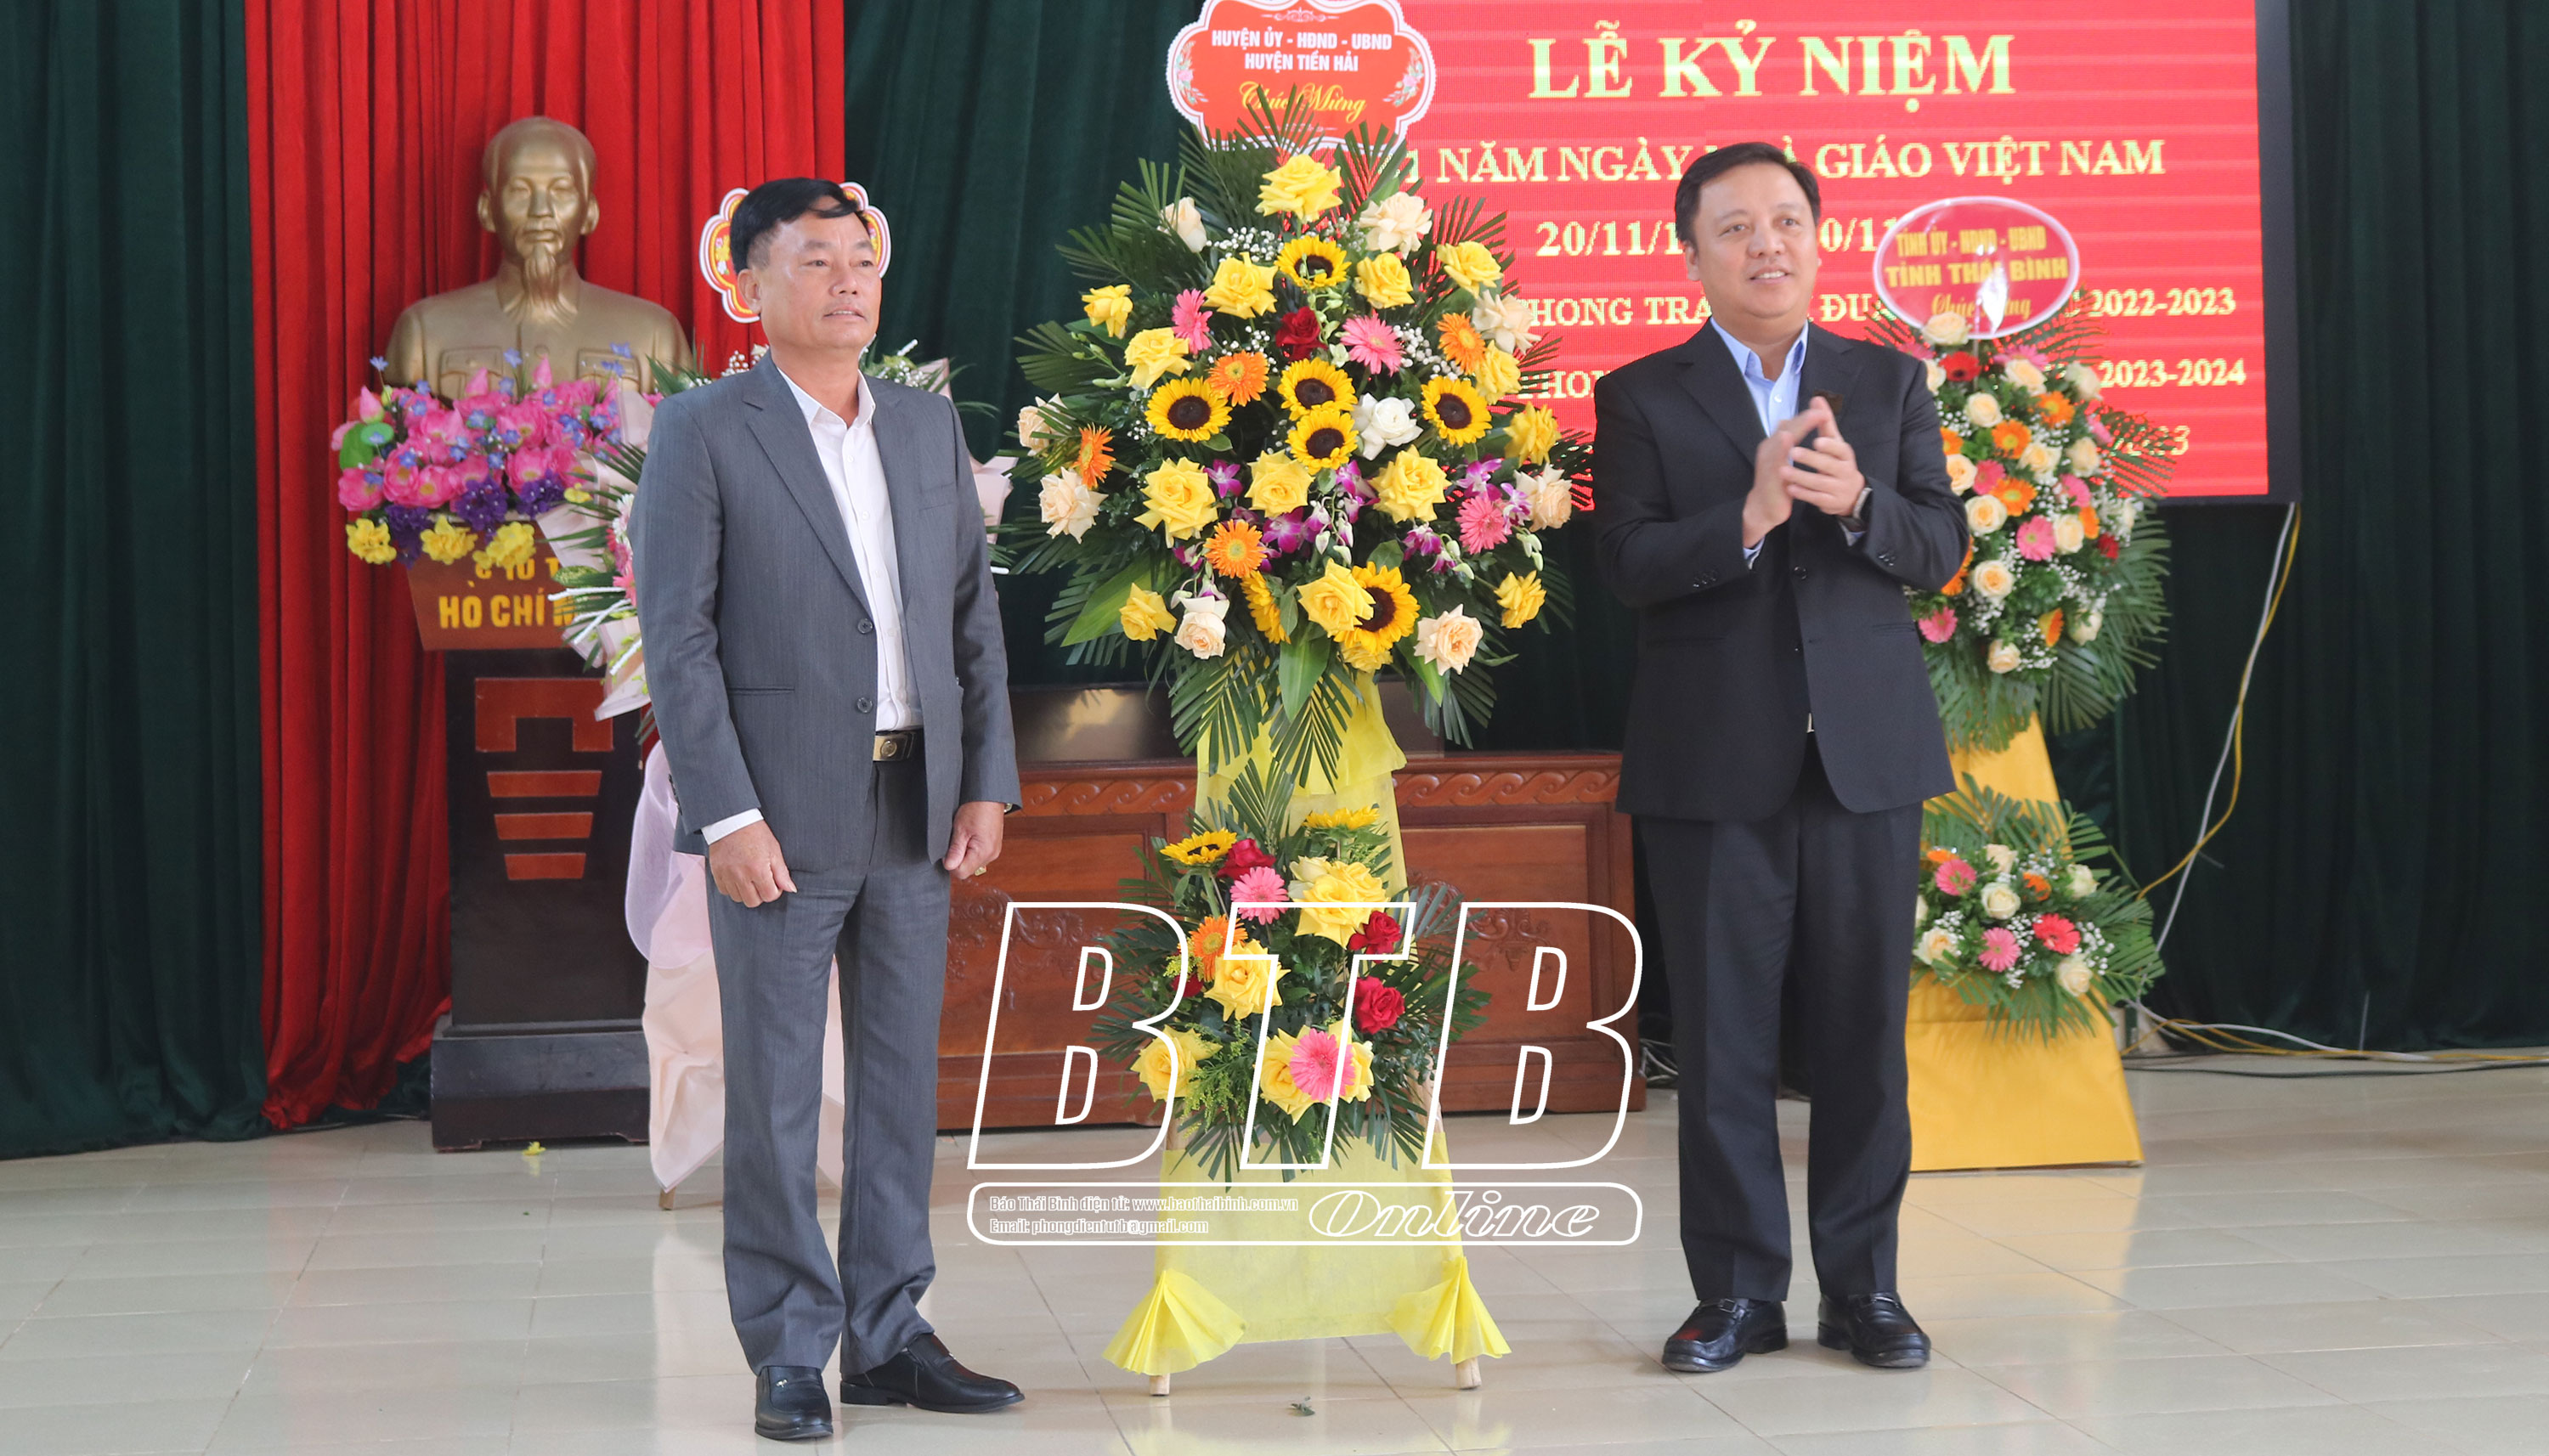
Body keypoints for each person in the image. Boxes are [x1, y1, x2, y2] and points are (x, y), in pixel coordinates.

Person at [632, 178, 1021, 1441]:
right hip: (779, 810)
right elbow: (678, 639)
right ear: (751, 286)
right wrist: (725, 813)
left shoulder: (924, 424)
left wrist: (986, 777)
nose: (848, 281)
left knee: (901, 1083)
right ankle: (790, 1350)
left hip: (916, 794)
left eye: (861, 260)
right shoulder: (705, 429)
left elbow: (969, 617)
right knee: (779, 1090)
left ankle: (891, 1335)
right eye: (814, 260)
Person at [1592, 144, 1970, 1374]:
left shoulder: (1888, 381)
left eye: (1788, 220)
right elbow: (1628, 565)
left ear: (1818, 237)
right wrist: (1750, 517)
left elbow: (1939, 549)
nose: (1768, 243)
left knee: (1863, 1043)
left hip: (1864, 759)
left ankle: (1866, 1290)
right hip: (1713, 761)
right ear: (1692, 253)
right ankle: (1738, 1295)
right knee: (1723, 1047)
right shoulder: (1640, 395)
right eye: (1737, 226)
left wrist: (1858, 501)